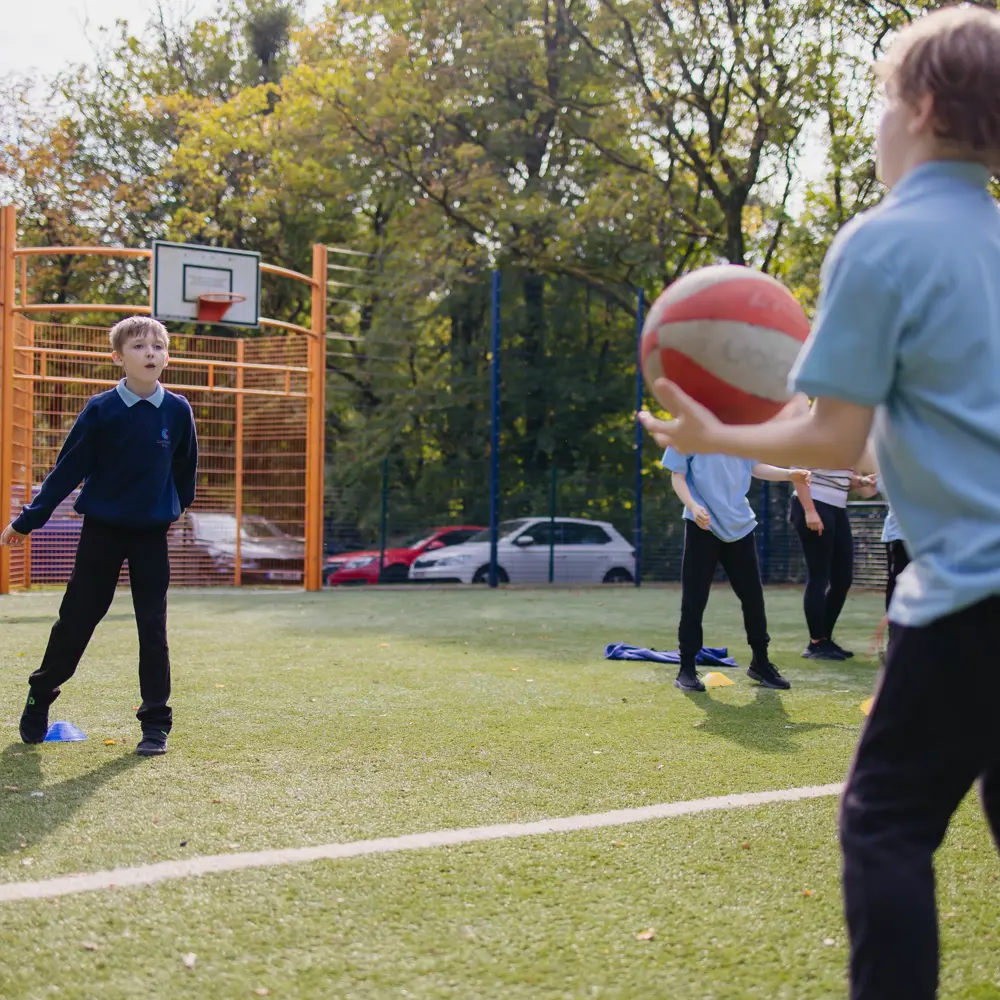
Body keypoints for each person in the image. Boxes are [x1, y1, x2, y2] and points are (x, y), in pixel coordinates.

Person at [639, 8, 1000, 998]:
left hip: (972, 592)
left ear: (921, 108)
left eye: (883, 101)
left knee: (884, 819)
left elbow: (833, 440)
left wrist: (715, 437)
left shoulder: (880, 243)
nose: (879, 122)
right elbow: (887, 452)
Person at [0, 316, 198, 757]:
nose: (151, 353)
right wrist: (28, 520)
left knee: (153, 628)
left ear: (166, 355)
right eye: (140, 346)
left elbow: (185, 471)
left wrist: (175, 508)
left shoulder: (178, 410)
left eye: (158, 346)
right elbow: (67, 471)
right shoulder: (101, 410)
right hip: (102, 532)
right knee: (77, 621)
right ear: (118, 357)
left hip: (151, 535)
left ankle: (155, 724)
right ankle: (41, 693)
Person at [663, 447, 809, 693]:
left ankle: (760, 663)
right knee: (694, 599)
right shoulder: (686, 428)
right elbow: (677, 475)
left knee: (753, 598)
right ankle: (686, 668)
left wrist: (790, 474)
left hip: (740, 526)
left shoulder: (740, 428)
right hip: (702, 525)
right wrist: (693, 506)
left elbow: (754, 466)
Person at [791, 467, 878, 661]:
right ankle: (816, 643)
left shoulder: (845, 444)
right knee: (819, 576)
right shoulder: (817, 437)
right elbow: (798, 473)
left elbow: (841, 480)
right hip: (814, 503)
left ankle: (825, 639)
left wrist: (863, 481)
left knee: (842, 579)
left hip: (837, 508)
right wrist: (809, 510)